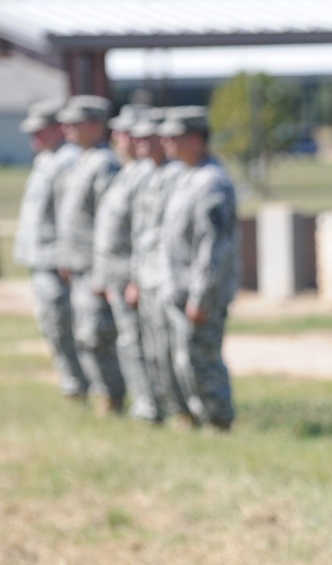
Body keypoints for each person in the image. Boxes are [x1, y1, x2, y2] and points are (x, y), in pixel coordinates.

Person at [159, 106, 241, 431]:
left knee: (202, 360)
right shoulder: (187, 177)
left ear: (195, 140)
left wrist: (201, 296)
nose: (165, 143)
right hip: (179, 287)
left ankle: (219, 423)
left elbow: (214, 247)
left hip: (200, 293)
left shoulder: (212, 183)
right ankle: (198, 418)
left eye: (173, 137)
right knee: (184, 360)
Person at [13, 98, 88, 400]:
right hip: (41, 258)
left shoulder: (68, 160)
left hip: (57, 262)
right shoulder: (46, 160)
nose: (34, 137)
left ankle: (80, 385)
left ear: (59, 128)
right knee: (51, 323)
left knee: (64, 324)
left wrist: (66, 257)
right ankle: (73, 383)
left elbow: (70, 218)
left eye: (41, 130)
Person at [55, 94, 125, 415]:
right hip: (79, 266)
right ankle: (102, 393)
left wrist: (103, 272)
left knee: (98, 334)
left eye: (75, 122)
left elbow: (107, 224)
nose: (67, 128)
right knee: (84, 333)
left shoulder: (104, 164)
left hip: (96, 269)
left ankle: (112, 397)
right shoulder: (80, 160)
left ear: (96, 125)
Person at [92, 103, 160, 422]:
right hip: (116, 275)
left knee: (138, 343)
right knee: (128, 342)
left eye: (125, 132)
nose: (117, 137)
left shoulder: (146, 176)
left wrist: (135, 278)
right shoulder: (127, 172)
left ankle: (150, 406)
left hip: (132, 277)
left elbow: (142, 235)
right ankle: (142, 402)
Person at [127, 109, 192, 427]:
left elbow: (175, 237)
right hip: (148, 276)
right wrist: (136, 277)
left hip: (169, 279)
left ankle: (189, 413)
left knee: (176, 352)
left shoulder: (179, 176)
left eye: (147, 137)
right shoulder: (148, 175)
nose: (138, 142)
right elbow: (142, 235)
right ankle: (171, 409)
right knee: (154, 351)